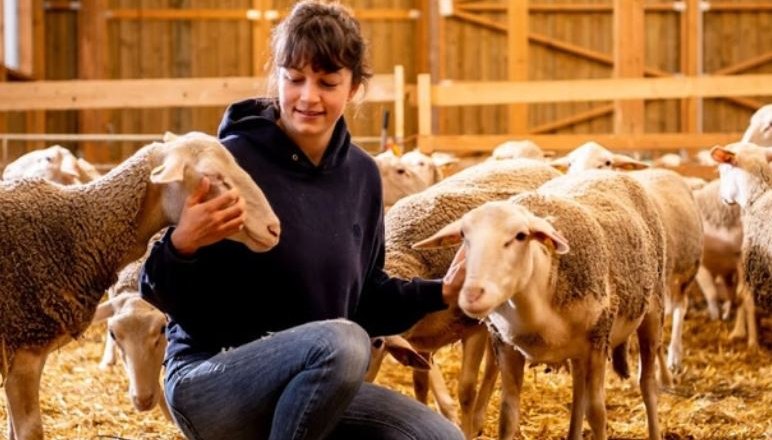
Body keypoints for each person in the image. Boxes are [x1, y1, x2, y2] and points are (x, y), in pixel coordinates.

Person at [139, 1, 467, 439]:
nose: (307, 96)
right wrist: (183, 246)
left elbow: (365, 299)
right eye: (293, 79)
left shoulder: (363, 177)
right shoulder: (230, 162)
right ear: (277, 78)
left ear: (353, 89)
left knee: (441, 437)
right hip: (214, 379)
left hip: (316, 383)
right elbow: (157, 293)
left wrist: (441, 292)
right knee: (344, 343)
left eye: (327, 82)